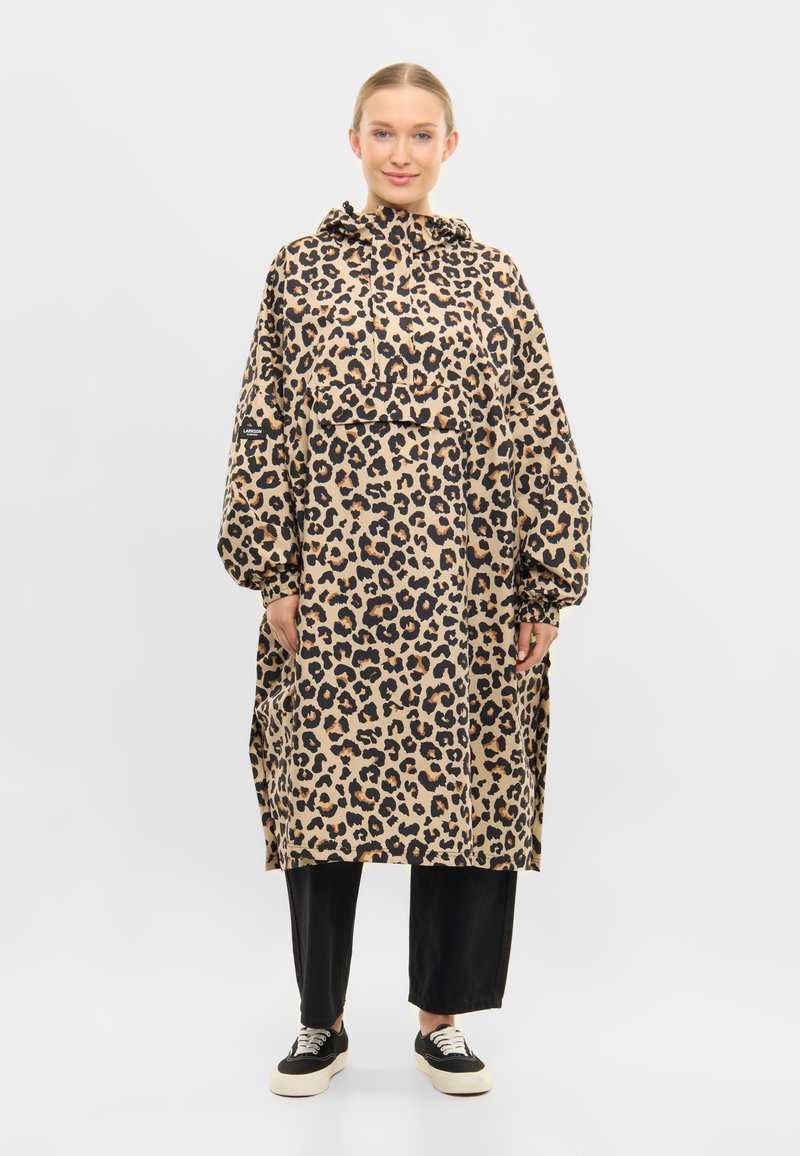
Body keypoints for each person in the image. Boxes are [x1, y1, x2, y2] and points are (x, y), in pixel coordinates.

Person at [216, 62, 593, 1099]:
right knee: (320, 797)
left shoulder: (492, 279)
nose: (400, 152)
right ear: (354, 141)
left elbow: (538, 432)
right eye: (382, 132)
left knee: (468, 798)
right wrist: (273, 572)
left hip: (465, 590)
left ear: (448, 146)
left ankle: (442, 1021)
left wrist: (543, 584)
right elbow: (262, 425)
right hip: (334, 588)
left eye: (420, 134)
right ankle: (320, 1019)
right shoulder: (300, 272)